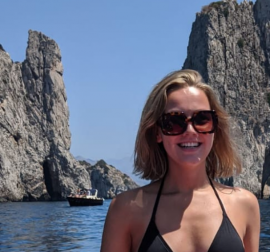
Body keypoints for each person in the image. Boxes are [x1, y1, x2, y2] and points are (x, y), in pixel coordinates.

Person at [101, 69, 260, 252]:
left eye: (202, 119)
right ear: (157, 132)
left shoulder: (245, 204)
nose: (190, 131)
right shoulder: (125, 209)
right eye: (174, 122)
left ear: (215, 129)